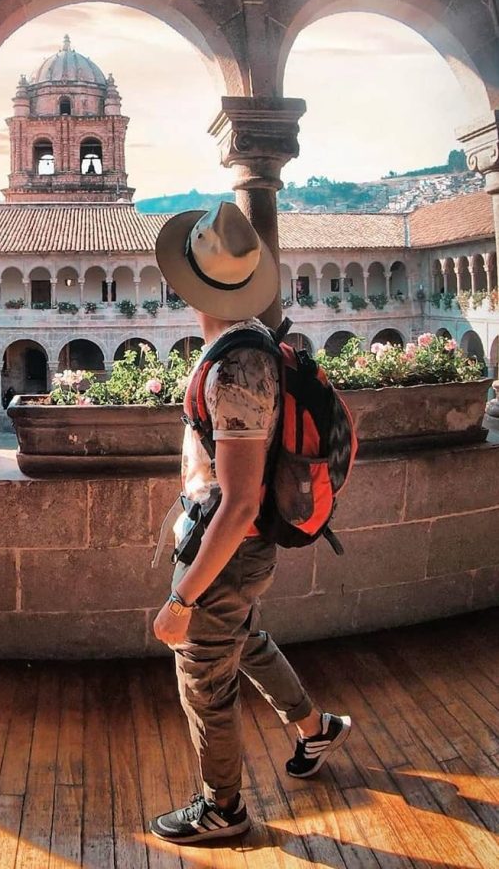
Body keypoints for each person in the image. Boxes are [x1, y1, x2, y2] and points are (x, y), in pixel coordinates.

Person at [149, 202, 351, 844]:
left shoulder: (238, 367)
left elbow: (239, 502)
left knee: (204, 667)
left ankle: (223, 808)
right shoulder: (243, 344)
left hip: (235, 545)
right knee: (243, 640)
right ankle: (316, 728)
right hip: (235, 543)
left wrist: (182, 598)